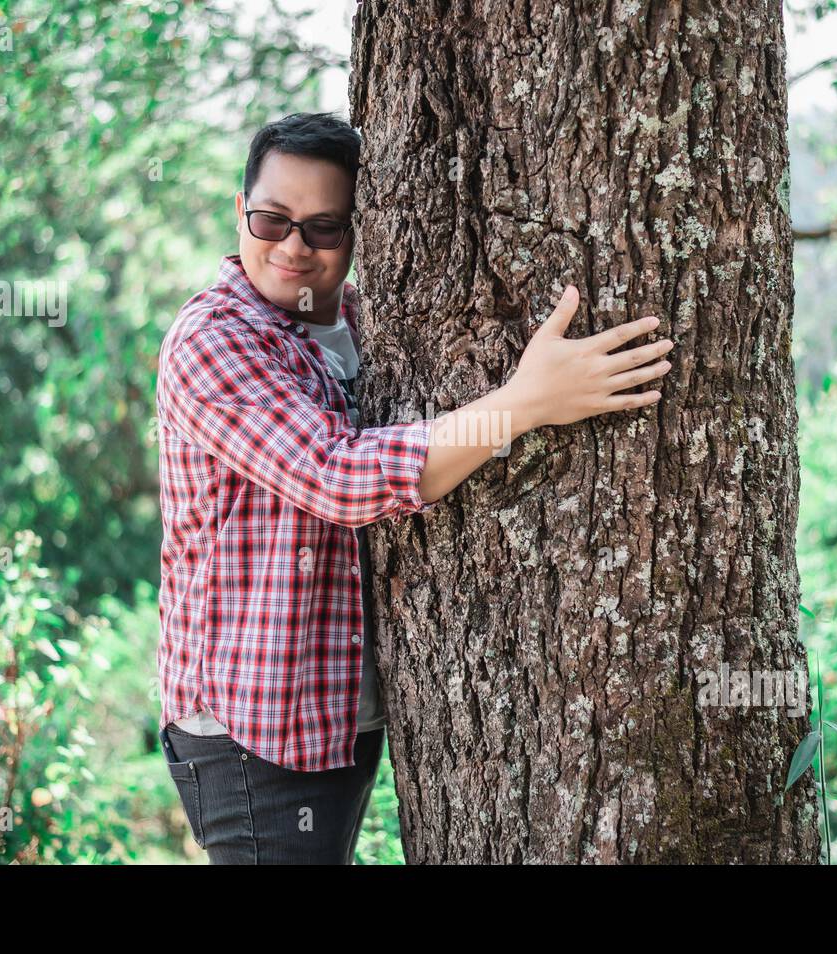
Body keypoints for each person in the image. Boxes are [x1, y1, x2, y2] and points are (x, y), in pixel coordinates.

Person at [155, 111, 674, 864]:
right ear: (240, 213)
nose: (294, 246)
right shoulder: (213, 340)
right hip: (251, 733)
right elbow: (337, 475)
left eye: (325, 227)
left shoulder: (371, 323)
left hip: (340, 715)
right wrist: (524, 405)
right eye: (272, 220)